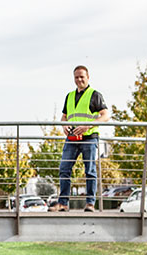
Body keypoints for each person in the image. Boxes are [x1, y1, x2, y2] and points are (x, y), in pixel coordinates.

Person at [49, 65, 110, 212]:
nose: (79, 79)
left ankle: (90, 203)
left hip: (89, 138)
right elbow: (64, 117)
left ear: (88, 77)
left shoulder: (95, 95)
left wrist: (87, 126)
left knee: (89, 170)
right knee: (64, 168)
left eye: (82, 77)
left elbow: (106, 115)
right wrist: (63, 126)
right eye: (76, 77)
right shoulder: (69, 96)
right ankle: (63, 203)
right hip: (71, 139)